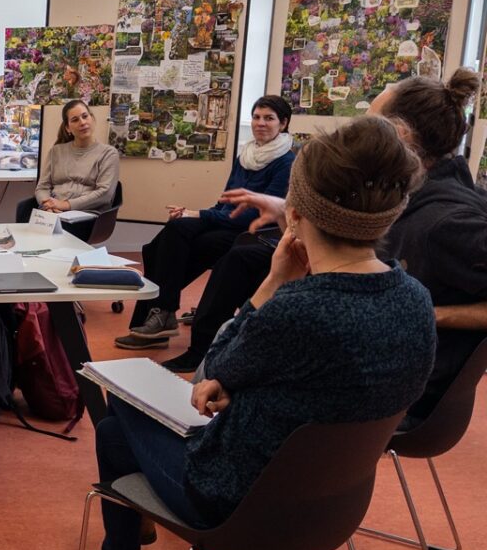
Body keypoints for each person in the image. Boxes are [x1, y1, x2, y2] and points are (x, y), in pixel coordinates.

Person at [55, 116, 436, 550]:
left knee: (117, 424)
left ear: (296, 212)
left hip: (237, 505)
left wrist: (274, 279)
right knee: (139, 418)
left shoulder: (299, 309)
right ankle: (135, 516)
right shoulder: (414, 299)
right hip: (334, 506)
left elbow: (207, 377)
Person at [210, 70, 487, 425]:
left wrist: (433, 314)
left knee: (229, 357)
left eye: (367, 125)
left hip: (388, 395)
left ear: (397, 136)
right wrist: (292, 212)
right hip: (371, 372)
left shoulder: (450, 222)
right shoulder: (407, 200)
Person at [116, 95, 294, 351]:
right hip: (226, 221)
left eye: (269, 118)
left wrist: (198, 214)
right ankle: (163, 313)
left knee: (174, 248)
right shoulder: (247, 154)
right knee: (170, 235)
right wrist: (197, 213)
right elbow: (225, 203)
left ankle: (160, 317)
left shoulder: (286, 162)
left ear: (283, 123)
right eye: (256, 117)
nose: (260, 123)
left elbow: (256, 215)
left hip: (250, 233)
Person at [33, 100, 119, 215]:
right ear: (67, 128)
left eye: (85, 116)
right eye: (75, 120)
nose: (82, 122)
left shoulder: (108, 154)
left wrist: (65, 205)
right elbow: (42, 187)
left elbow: (105, 194)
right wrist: (48, 205)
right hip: (52, 212)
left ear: (92, 119)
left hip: (87, 216)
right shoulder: (56, 152)